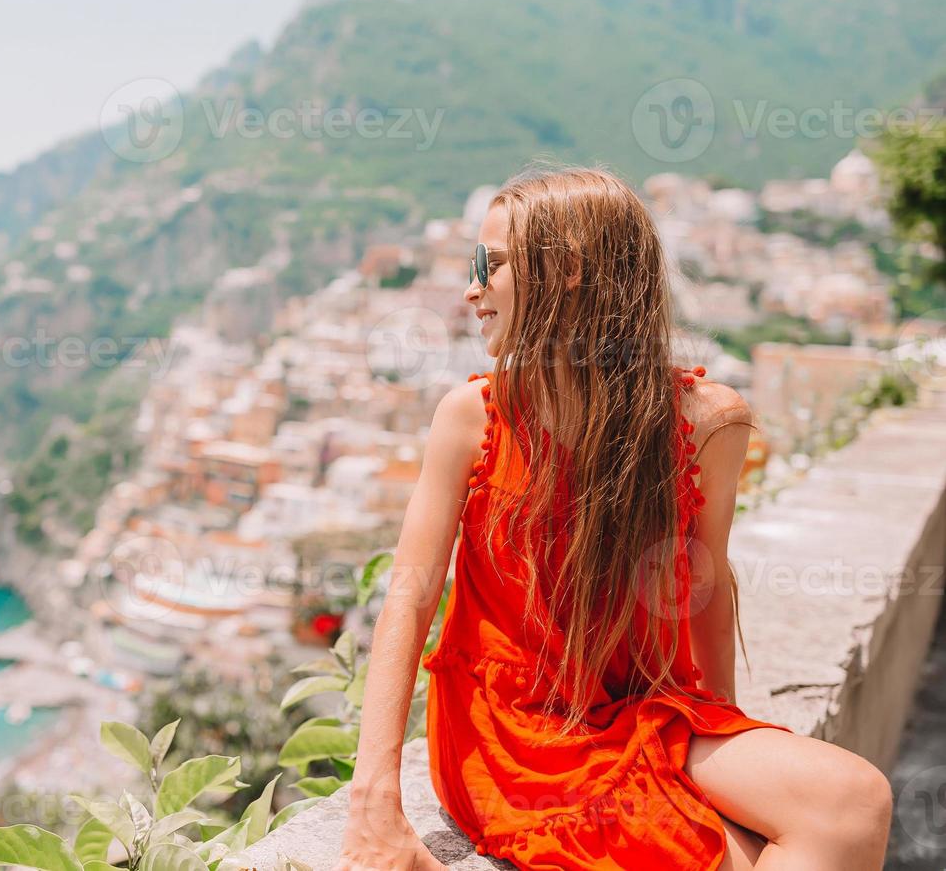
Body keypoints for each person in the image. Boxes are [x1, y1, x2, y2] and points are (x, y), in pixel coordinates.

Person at [334, 166, 894, 870]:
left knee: (859, 801)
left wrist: (724, 737)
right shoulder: (473, 418)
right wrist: (375, 798)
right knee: (721, 855)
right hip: (513, 729)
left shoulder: (708, 422)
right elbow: (409, 597)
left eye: (492, 266)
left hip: (645, 707)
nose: (471, 289)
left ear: (566, 271)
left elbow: (709, 591)